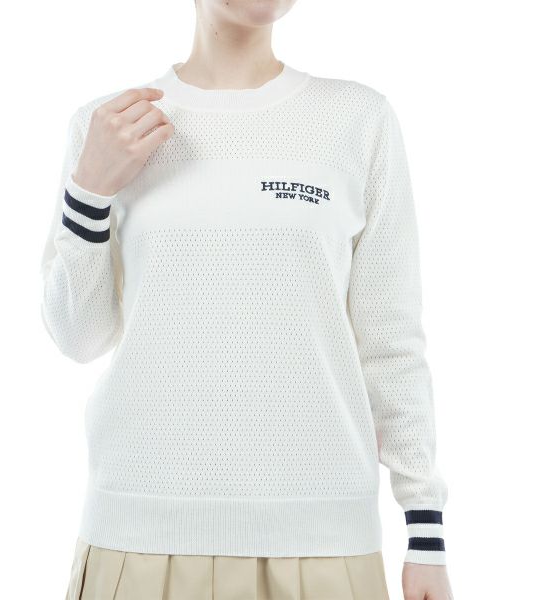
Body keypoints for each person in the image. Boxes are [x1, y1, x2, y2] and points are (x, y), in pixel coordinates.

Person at [40, 1, 454, 598]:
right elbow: (78, 336)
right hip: (139, 534)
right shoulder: (108, 126)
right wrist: (89, 190)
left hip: (322, 542)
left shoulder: (357, 120)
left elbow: (390, 343)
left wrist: (425, 528)